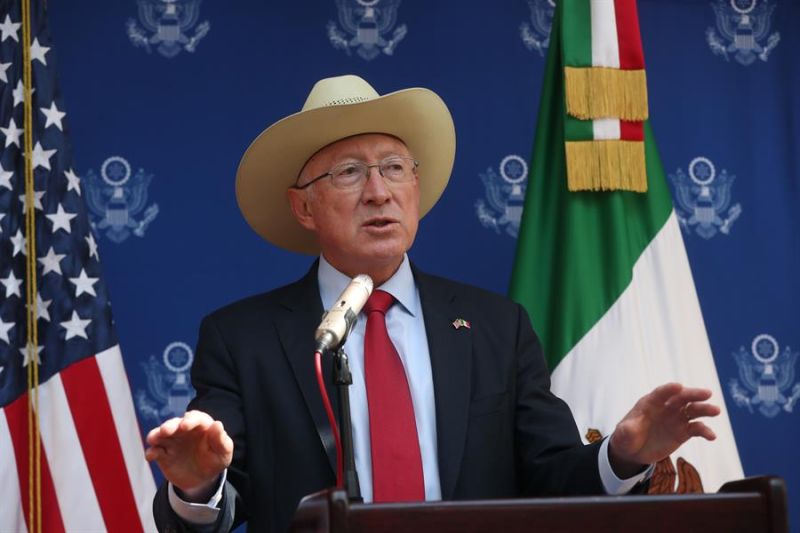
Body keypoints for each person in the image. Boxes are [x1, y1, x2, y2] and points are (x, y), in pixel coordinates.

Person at [146, 75, 720, 533]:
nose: (379, 190)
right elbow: (214, 506)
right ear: (304, 208)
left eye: (394, 167)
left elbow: (552, 479)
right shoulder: (241, 338)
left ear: (415, 189)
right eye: (349, 172)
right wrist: (197, 486)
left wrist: (620, 457)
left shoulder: (498, 327)